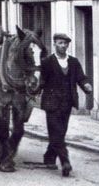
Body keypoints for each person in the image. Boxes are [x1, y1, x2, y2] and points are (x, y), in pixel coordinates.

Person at [40, 33, 93, 177]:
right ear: (55, 44)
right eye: (60, 43)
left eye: (65, 43)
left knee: (60, 132)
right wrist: (32, 90)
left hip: (67, 103)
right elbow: (41, 81)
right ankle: (65, 162)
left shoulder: (74, 62)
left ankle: (49, 157)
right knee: (57, 132)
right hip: (51, 103)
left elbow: (81, 78)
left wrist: (86, 85)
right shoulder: (47, 62)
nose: (63, 46)